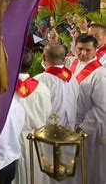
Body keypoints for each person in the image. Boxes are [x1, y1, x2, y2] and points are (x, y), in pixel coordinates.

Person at [69, 34, 106, 184]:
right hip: (73, 122)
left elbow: (102, 107)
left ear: (96, 50)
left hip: (89, 127)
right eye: (80, 49)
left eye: (88, 50)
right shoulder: (71, 63)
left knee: (91, 166)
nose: (83, 53)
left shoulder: (100, 74)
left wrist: (85, 127)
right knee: (76, 166)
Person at [13, 50, 52, 184]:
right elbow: (48, 113)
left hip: (13, 138)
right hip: (37, 137)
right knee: (35, 173)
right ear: (31, 65)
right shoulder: (42, 88)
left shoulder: (5, 89)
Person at [35, 42, 78, 129]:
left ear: (43, 57)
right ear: (64, 57)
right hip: (69, 131)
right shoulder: (72, 77)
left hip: (48, 133)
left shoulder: (40, 80)